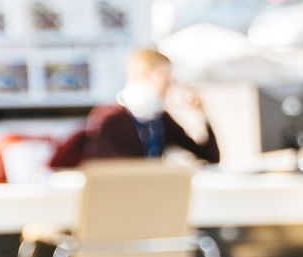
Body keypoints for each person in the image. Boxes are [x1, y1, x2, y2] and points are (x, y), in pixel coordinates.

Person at [48, 46, 221, 169]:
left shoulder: (160, 120)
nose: (170, 85)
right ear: (145, 75)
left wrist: (202, 114)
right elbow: (104, 168)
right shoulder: (110, 119)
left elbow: (210, 157)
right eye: (165, 78)